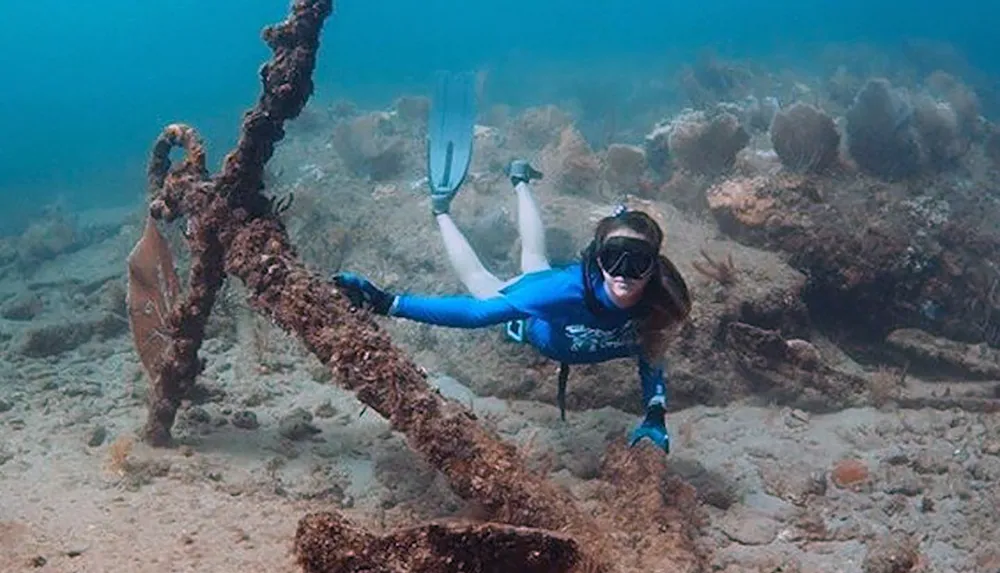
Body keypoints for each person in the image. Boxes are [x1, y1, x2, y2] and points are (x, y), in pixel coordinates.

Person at [333, 159, 692, 453]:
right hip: (538, 315)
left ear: (654, 266)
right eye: (613, 258)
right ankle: (442, 210)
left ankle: (520, 178)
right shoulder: (563, 292)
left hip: (551, 295)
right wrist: (389, 303)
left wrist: (655, 415)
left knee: (535, 258)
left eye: (638, 262)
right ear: (598, 259)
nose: (623, 274)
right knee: (482, 282)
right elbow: (476, 315)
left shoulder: (660, 301)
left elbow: (652, 354)